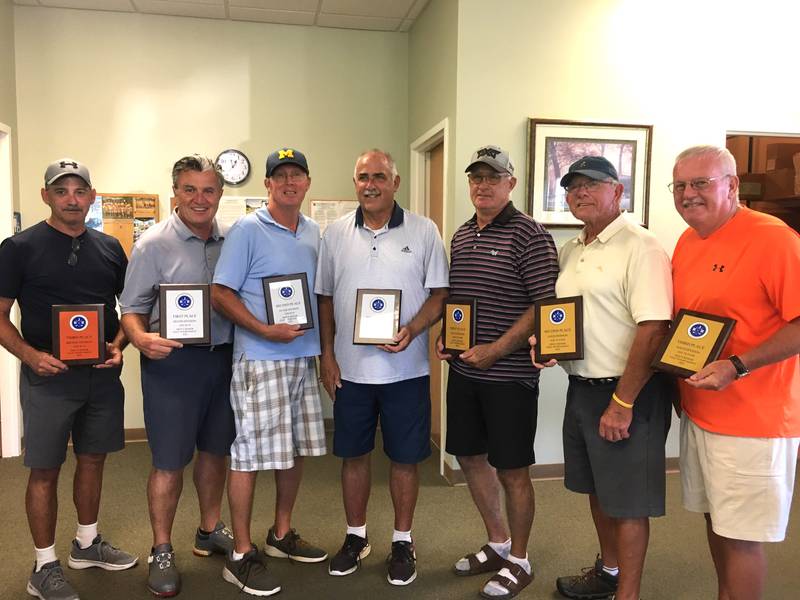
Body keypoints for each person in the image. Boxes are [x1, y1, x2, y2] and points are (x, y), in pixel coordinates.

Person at [529, 156, 673, 600]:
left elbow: (653, 329)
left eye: (592, 185)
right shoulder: (572, 249)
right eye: (573, 187)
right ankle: (608, 573)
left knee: (628, 504)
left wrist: (623, 402)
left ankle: (626, 594)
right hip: (582, 389)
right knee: (597, 491)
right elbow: (569, 317)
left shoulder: (640, 246)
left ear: (618, 192)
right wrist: (547, 344)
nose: (581, 193)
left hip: (627, 393)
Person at [0, 159, 137, 600]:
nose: (72, 199)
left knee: (94, 460)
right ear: (46, 197)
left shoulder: (111, 249)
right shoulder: (18, 248)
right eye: (62, 191)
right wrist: (30, 356)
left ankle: (86, 543)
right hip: (48, 379)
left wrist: (119, 344)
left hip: (99, 377)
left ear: (92, 197)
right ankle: (43, 566)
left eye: (80, 190)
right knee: (45, 469)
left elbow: (131, 309)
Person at [670, 145, 800, 600]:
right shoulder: (688, 241)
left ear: (732, 185)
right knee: (717, 521)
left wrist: (738, 365)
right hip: (701, 412)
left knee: (742, 537)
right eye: (681, 185)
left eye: (700, 183)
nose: (689, 194)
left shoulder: (773, 238)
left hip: (753, 421)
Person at [315, 149, 448, 586]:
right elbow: (326, 299)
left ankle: (402, 540)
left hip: (406, 372)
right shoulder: (334, 234)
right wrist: (328, 356)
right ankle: (356, 537)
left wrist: (412, 329)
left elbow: (439, 295)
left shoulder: (424, 230)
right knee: (353, 456)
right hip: (351, 372)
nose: (369, 184)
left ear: (395, 182)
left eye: (378, 176)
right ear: (355, 183)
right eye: (361, 177)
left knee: (405, 459)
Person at [436, 145, 558, 599]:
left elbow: (542, 303)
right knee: (469, 458)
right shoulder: (463, 234)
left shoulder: (531, 235)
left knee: (512, 469)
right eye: (475, 178)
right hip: (466, 374)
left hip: (509, 377)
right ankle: (497, 541)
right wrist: (450, 336)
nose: (482, 185)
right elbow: (461, 300)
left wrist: (496, 350)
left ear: (510, 183)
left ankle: (520, 560)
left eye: (492, 177)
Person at [211, 147, 327, 596]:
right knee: (250, 456)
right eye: (281, 176)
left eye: (297, 174)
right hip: (260, 359)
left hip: (302, 357)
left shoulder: (314, 231)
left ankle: (281, 534)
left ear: (307, 182)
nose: (289, 182)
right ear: (268, 185)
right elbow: (221, 292)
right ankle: (240, 553)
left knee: (291, 451)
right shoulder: (246, 229)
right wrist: (264, 328)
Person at [119, 155, 235, 597]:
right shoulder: (153, 243)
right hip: (172, 365)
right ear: (175, 194)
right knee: (169, 461)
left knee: (214, 452)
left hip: (223, 360)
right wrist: (142, 340)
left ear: (220, 195)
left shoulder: (233, 241)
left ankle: (208, 529)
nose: (199, 199)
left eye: (208, 190)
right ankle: (161, 548)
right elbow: (131, 311)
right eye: (190, 189)